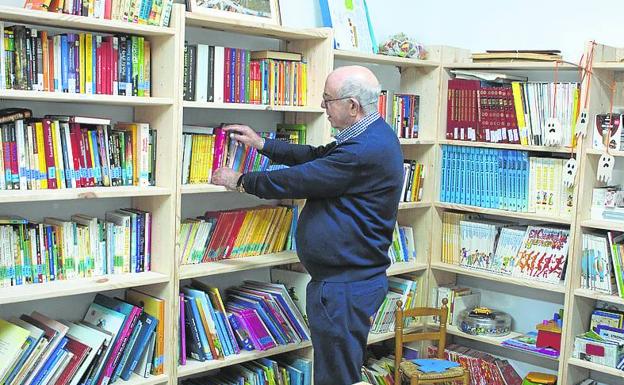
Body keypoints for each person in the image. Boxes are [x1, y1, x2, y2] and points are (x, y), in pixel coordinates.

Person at [212, 65, 404, 385]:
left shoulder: (364, 150)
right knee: (337, 372)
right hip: (346, 282)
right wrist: (264, 145)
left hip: (344, 288)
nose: (323, 108)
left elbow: (303, 179)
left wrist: (241, 181)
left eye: (327, 100)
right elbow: (316, 157)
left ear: (352, 106)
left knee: (336, 378)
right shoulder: (370, 134)